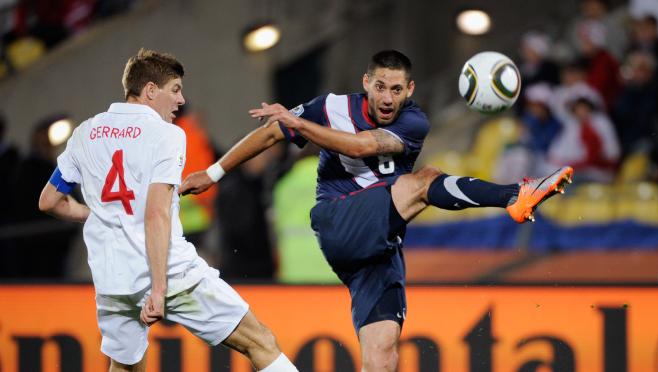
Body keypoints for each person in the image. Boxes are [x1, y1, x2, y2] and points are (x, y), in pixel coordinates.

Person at [180, 50, 574, 371]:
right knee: (425, 179)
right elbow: (268, 132)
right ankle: (513, 196)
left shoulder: (414, 121)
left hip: (379, 246)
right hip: (338, 220)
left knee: (383, 354)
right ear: (366, 82)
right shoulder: (331, 107)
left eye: (396, 89)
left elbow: (360, 147)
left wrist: (298, 124)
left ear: (410, 90)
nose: (387, 97)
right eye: (381, 86)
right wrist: (214, 172)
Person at [38, 49, 298, 372]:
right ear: (150, 90)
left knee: (125, 368)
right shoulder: (167, 135)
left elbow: (48, 200)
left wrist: (93, 214)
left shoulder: (84, 134)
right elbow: (156, 213)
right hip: (170, 273)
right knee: (260, 342)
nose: (180, 99)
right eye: (175, 90)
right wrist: (158, 289)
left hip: (113, 280)